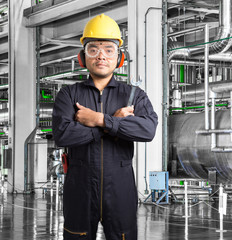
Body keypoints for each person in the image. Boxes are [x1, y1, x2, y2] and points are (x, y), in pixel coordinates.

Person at [52, 14, 158, 240]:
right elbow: (63, 135)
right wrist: (116, 121)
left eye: (109, 49)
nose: (101, 56)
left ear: (119, 58)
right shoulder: (69, 94)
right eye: (93, 49)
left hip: (120, 188)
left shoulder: (134, 95)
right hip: (79, 188)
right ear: (83, 57)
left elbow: (147, 130)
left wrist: (100, 120)